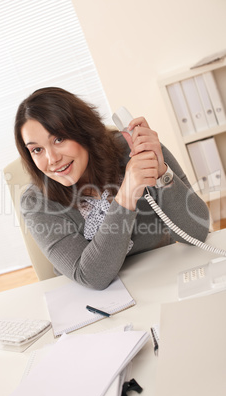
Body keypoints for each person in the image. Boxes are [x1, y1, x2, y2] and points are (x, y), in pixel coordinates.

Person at [14, 87, 210, 290]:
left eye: (59, 139)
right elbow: (92, 277)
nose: (52, 159)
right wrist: (127, 195)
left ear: (83, 130)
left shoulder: (132, 151)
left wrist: (161, 173)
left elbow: (197, 232)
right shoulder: (35, 202)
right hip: (97, 302)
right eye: (37, 150)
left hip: (163, 278)